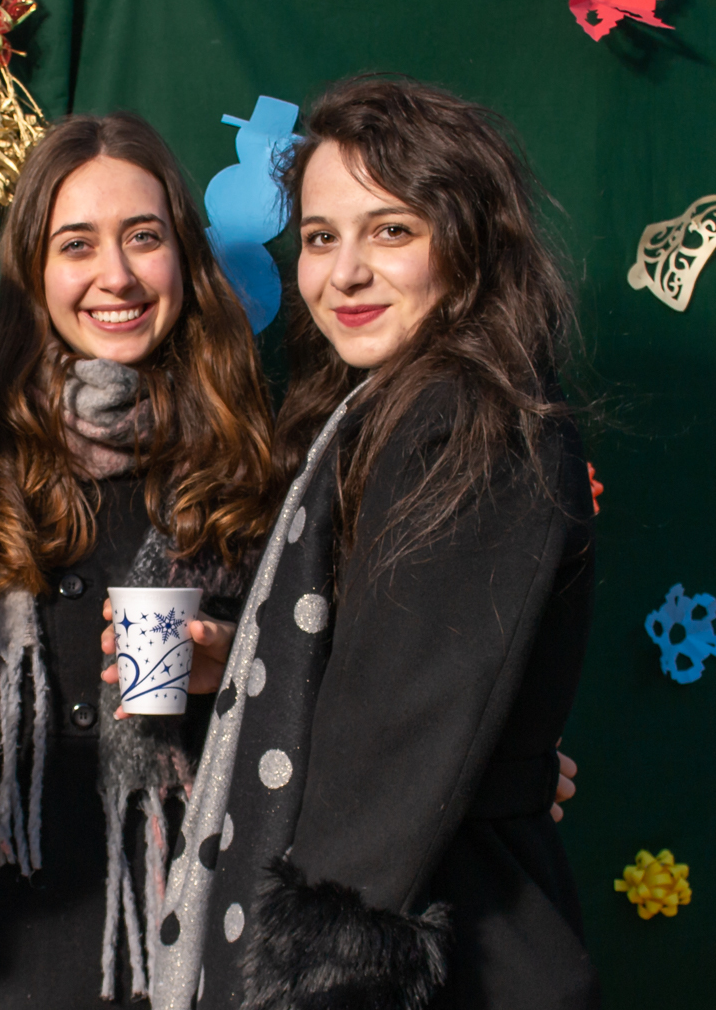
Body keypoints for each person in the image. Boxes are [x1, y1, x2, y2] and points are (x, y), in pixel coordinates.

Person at [152, 76, 600, 1010]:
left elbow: (396, 743)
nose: (344, 273)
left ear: (469, 243)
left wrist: (317, 981)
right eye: (321, 238)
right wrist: (251, 661)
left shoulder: (466, 421)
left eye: (391, 230)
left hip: (431, 967)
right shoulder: (384, 412)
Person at [0, 112, 278, 1008]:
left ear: (184, 259)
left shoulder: (256, 456)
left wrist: (229, 664)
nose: (115, 275)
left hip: (195, 936)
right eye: (76, 244)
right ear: (33, 272)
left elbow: (342, 687)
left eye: (144, 238)